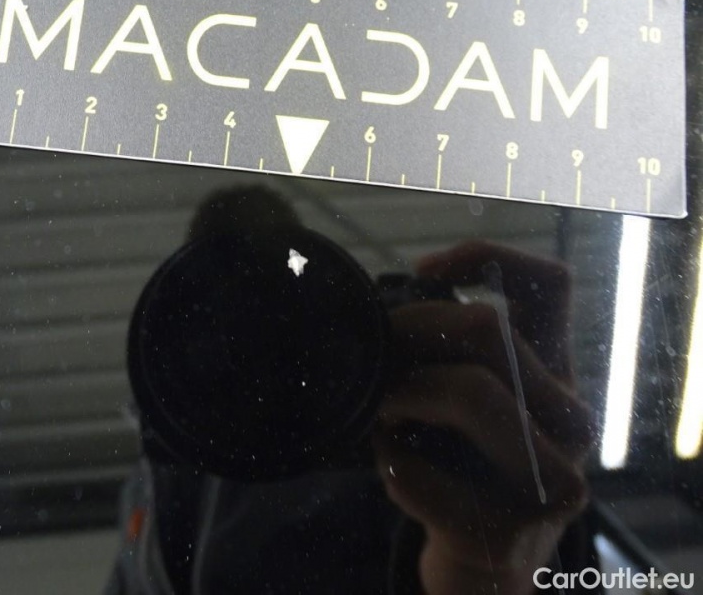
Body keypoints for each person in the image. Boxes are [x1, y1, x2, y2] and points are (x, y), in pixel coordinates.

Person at [105, 186, 599, 595]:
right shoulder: (154, 481)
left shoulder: (395, 388)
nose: (258, 347)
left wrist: (494, 563)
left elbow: (496, 535)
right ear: (171, 342)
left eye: (280, 308)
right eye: (222, 319)